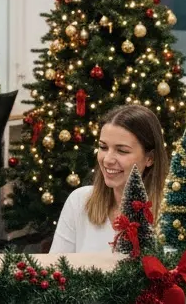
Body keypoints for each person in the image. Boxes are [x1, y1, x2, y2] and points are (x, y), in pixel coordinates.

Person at [50, 104, 168, 254]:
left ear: (150, 158)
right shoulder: (79, 201)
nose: (107, 160)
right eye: (103, 147)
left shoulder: (171, 214)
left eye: (122, 151)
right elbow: (54, 270)